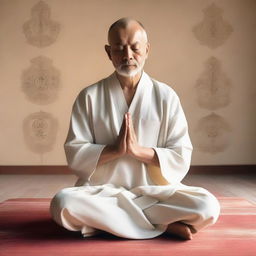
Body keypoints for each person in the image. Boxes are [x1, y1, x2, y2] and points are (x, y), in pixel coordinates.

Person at [50, 17, 220, 240]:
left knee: (207, 206)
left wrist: (139, 151)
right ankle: (162, 225)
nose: (128, 55)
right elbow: (75, 152)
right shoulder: (89, 96)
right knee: (63, 204)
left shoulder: (166, 96)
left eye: (135, 48)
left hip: (155, 193)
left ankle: (112, 223)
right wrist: (114, 150)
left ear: (147, 50)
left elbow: (181, 154)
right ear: (108, 52)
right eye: (119, 49)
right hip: (103, 192)